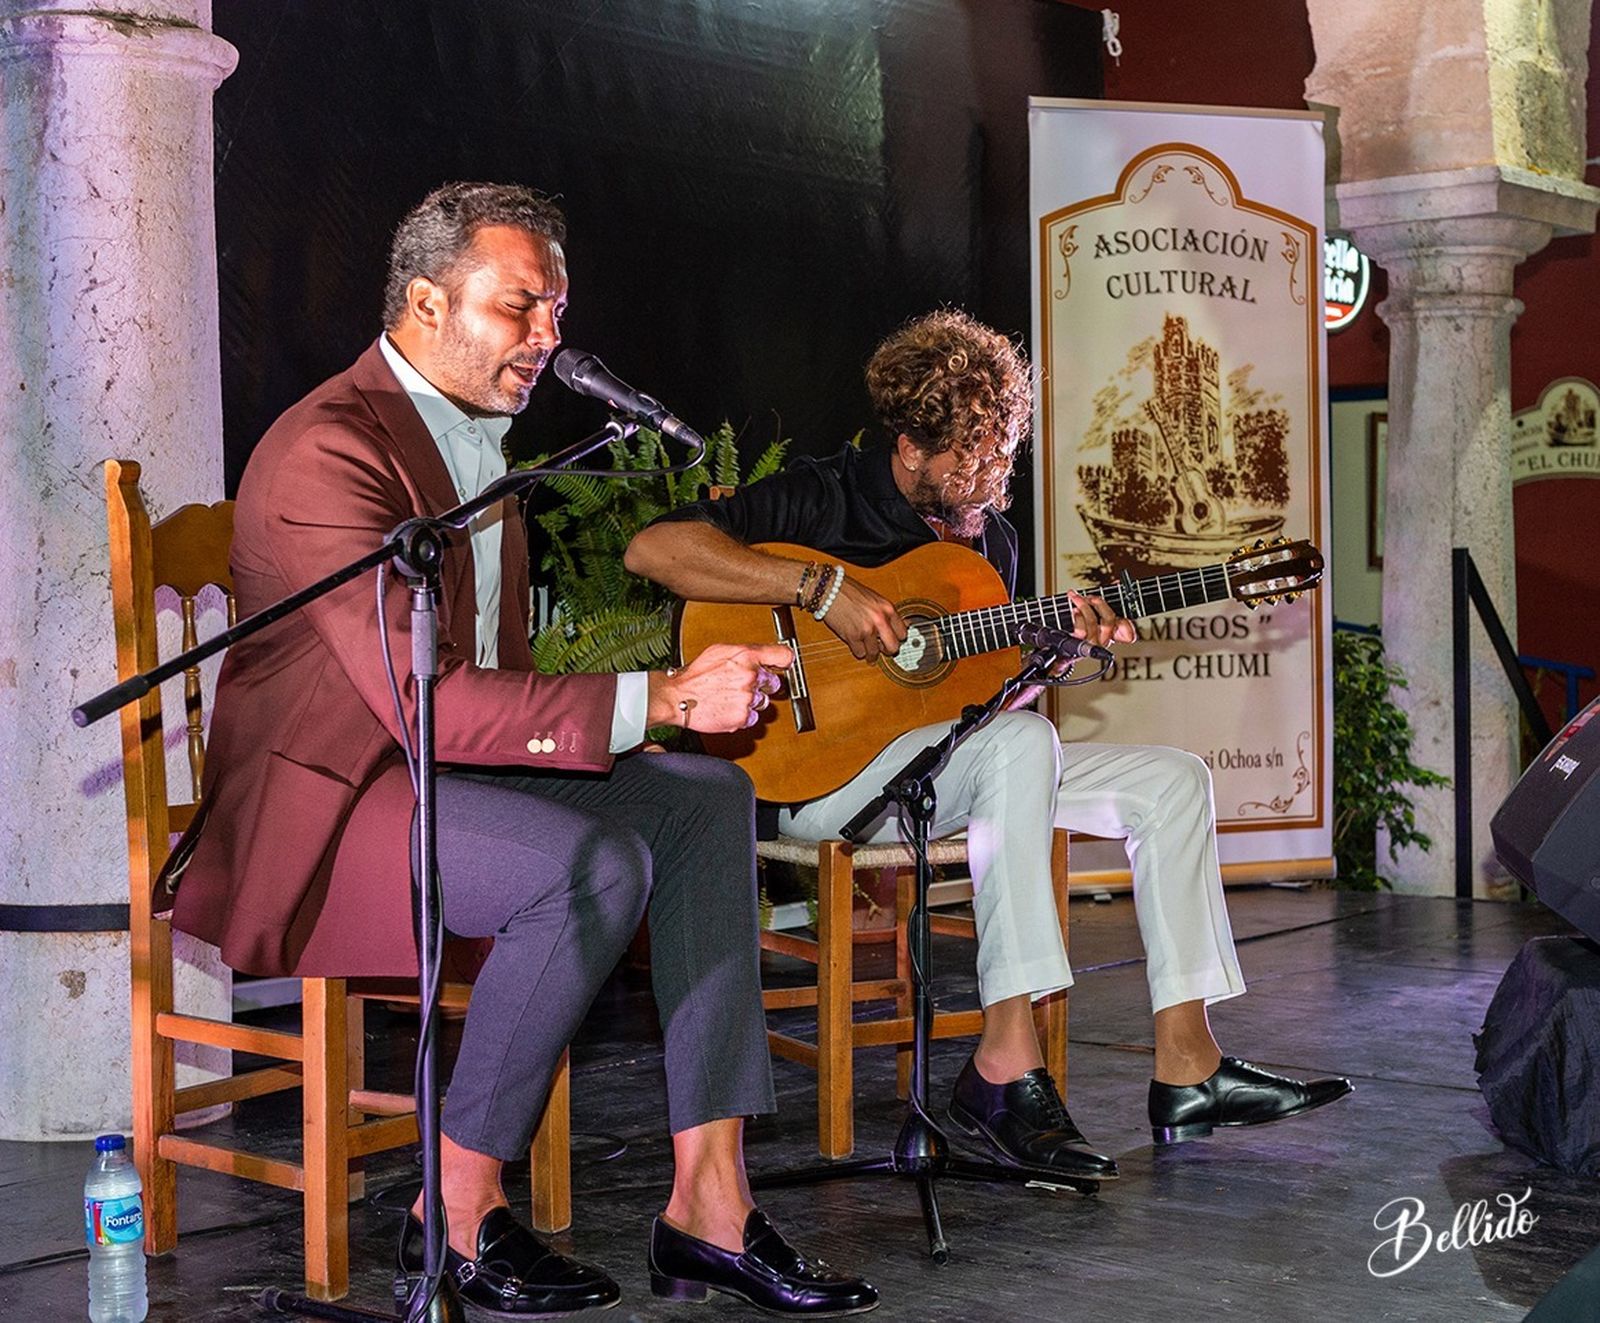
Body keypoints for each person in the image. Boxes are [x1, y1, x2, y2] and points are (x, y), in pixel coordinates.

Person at [171, 182, 877, 1319]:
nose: (549, 338)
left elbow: (496, 676)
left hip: (440, 767)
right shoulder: (325, 453)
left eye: (555, 309)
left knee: (702, 801)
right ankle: (448, 1213)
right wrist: (656, 697)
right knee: (586, 867)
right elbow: (425, 704)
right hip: (335, 796)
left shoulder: (486, 442)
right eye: (521, 308)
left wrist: (684, 711)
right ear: (424, 301)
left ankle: (710, 1204)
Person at [624, 309, 1351, 1182]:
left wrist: (1055, 654)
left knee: (1170, 779)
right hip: (813, 777)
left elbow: (979, 705)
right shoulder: (827, 496)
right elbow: (654, 547)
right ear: (908, 447)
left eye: (1000, 453)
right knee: (1018, 746)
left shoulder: (988, 545)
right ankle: (1006, 1061)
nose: (987, 476)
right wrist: (820, 588)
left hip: (940, 769)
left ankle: (1188, 1066)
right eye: (967, 458)